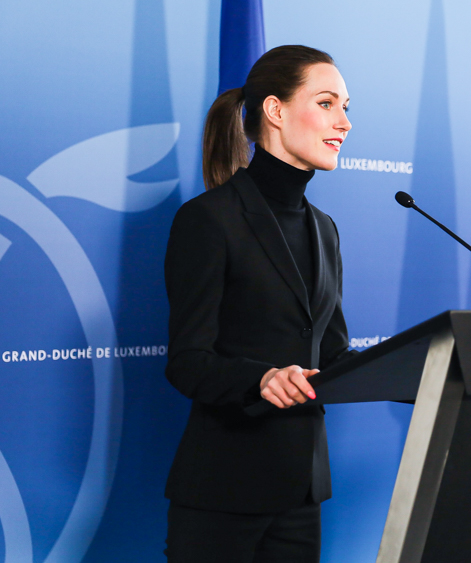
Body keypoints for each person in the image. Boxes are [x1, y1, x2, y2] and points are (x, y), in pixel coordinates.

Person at [163, 45, 353, 562]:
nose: (344, 122)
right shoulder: (209, 220)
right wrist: (261, 378)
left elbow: (334, 358)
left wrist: (432, 366)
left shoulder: (325, 229)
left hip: (302, 493)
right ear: (274, 110)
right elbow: (187, 363)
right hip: (221, 494)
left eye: (346, 107)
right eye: (327, 103)